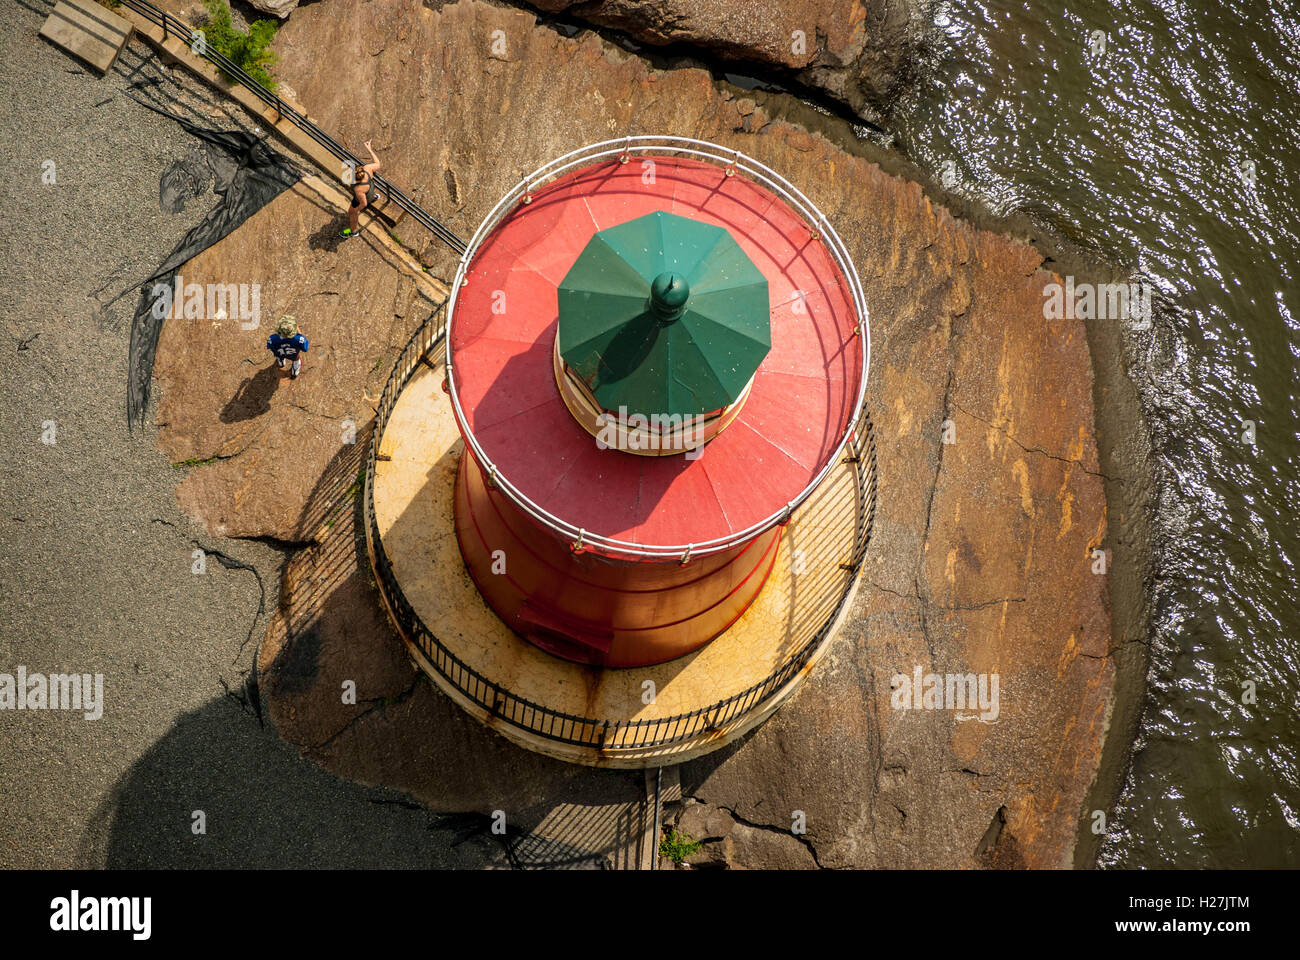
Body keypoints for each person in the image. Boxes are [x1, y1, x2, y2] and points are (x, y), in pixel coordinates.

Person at [341, 139, 382, 239]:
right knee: (369, 195)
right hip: (370, 188)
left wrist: (357, 210)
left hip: (363, 196)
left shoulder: (358, 189)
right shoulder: (367, 168)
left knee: (351, 213)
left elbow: (363, 203)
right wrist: (369, 149)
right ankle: (375, 197)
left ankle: (353, 231)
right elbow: (378, 163)